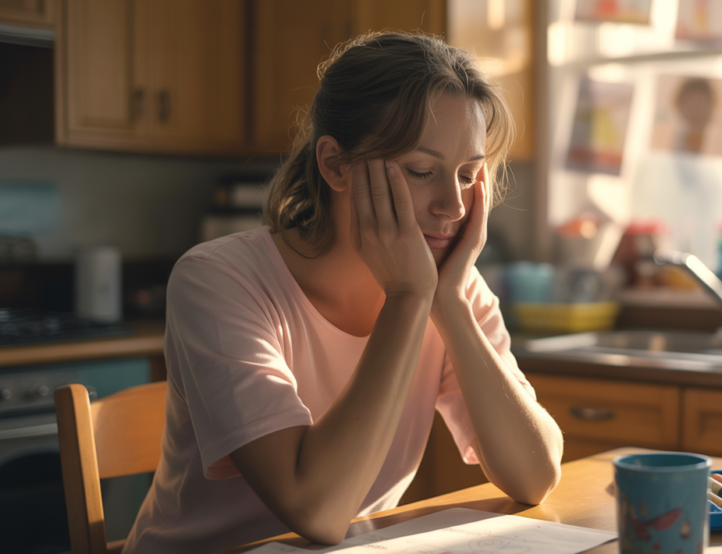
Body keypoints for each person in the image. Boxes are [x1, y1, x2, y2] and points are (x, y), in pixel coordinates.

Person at [123, 32, 564, 554]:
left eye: (468, 175)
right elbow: (318, 510)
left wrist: (447, 303)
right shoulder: (218, 280)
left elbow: (534, 476)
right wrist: (407, 298)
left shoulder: (452, 289)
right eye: (423, 171)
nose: (454, 206)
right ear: (334, 164)